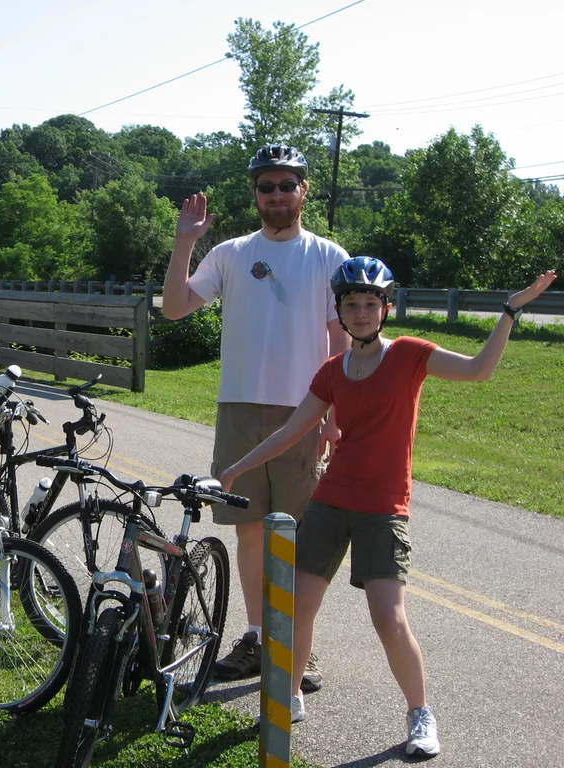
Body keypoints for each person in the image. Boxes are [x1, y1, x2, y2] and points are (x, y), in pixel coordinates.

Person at [216, 256, 558, 757]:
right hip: (331, 501)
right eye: (351, 304)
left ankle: (420, 715)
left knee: (388, 617)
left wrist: (510, 309)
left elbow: (480, 371)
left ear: (386, 309)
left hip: (383, 508)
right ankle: (287, 697)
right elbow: (295, 430)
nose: (360, 312)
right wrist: (236, 468)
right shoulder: (333, 371)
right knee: (298, 606)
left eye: (370, 304)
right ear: (340, 311)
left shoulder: (411, 356)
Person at [162, 144, 351, 691]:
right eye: (266, 187)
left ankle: (294, 643)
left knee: (292, 534)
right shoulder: (230, 253)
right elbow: (175, 308)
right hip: (240, 408)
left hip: (306, 410)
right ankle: (254, 637)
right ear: (255, 194)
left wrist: (334, 416)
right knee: (249, 530)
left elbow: (339, 339)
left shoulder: (327, 256)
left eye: (286, 186)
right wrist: (184, 243)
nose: (276, 196)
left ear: (303, 191)